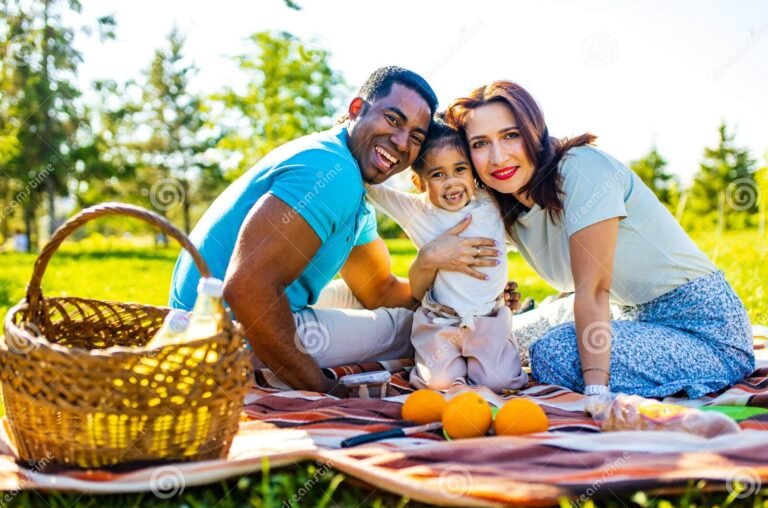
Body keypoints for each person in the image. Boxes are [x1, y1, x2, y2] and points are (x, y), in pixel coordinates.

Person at [170, 67, 513, 394]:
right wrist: (323, 388)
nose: (400, 141)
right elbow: (246, 288)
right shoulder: (332, 173)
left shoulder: (347, 176)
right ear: (356, 109)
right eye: (392, 119)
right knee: (412, 326)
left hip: (207, 318)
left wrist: (472, 290)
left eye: (416, 137)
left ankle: (486, 316)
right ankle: (494, 333)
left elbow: (377, 290)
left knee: (361, 298)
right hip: (227, 334)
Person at [408, 80, 754, 399]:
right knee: (508, 338)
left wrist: (596, 391)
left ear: (534, 132)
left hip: (704, 330)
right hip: (626, 315)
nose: (498, 157)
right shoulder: (503, 206)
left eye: (510, 135)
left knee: (551, 352)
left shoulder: (583, 169)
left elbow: (593, 291)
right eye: (481, 144)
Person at [365, 120, 526, 393]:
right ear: (420, 181)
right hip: (440, 322)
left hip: (488, 320)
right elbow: (372, 187)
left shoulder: (490, 202)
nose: (451, 182)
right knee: (439, 384)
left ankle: (485, 363)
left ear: (473, 171)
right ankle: (447, 371)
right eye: (437, 174)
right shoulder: (417, 211)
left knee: (499, 383)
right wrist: (360, 137)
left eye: (460, 169)